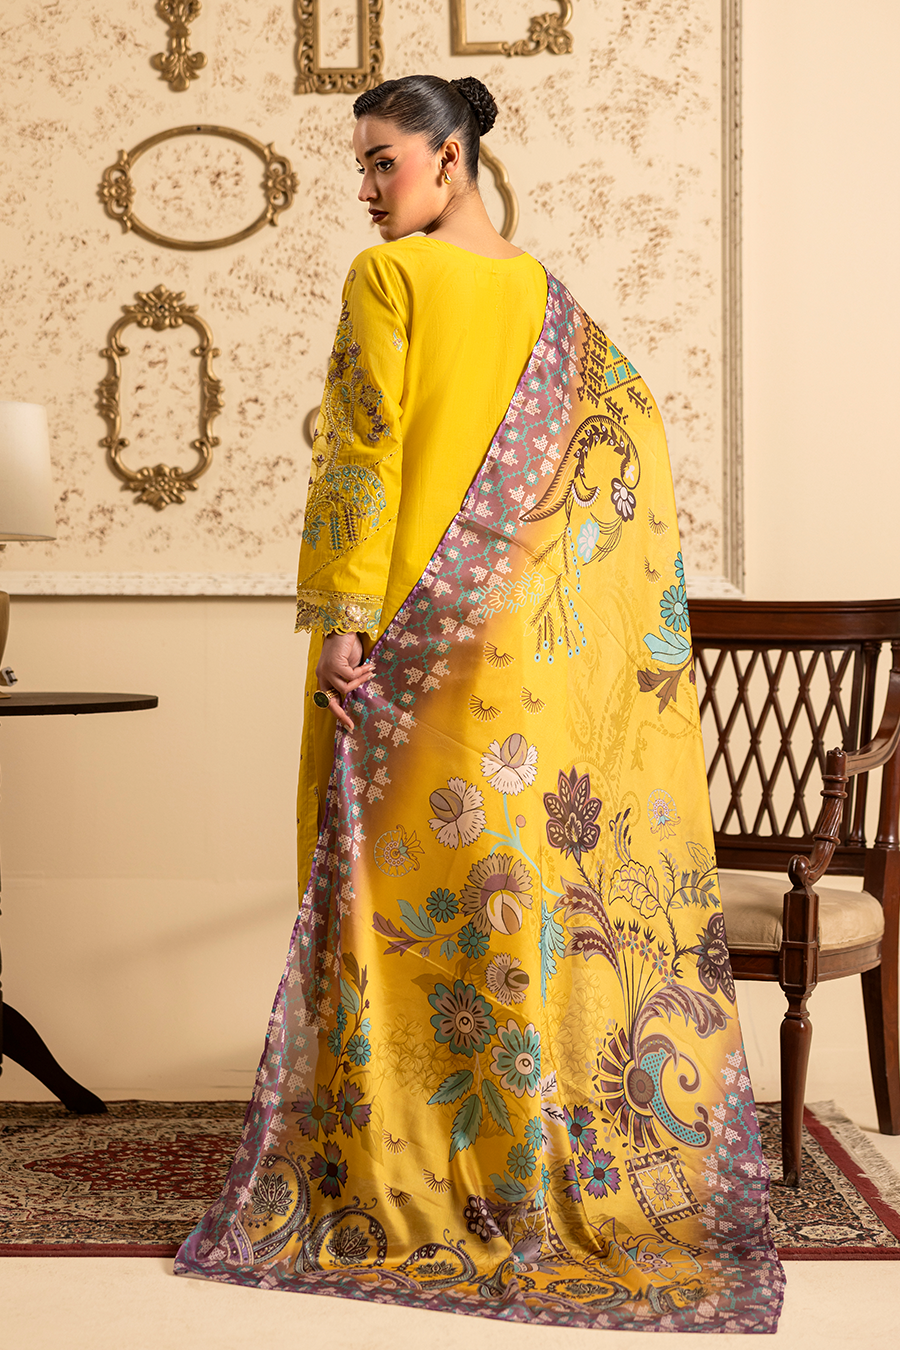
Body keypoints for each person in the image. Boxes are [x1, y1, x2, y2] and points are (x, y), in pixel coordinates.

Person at [176, 75, 784, 1332]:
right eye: (360, 164)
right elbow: (633, 448)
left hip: (404, 649)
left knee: (400, 911)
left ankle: (402, 1174)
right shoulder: (552, 302)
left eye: (383, 161)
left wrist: (345, 622)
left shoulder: (388, 277)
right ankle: (519, 1169)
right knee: (508, 907)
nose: (366, 188)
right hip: (521, 668)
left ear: (449, 158)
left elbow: (362, 452)